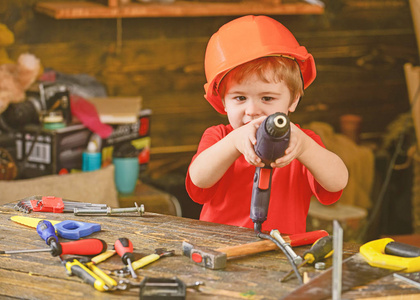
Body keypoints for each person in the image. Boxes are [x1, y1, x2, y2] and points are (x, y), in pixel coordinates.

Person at [185, 15, 348, 234]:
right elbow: (199, 179)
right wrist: (233, 143)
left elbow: (337, 182)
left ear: (293, 100)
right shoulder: (219, 137)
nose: (252, 110)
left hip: (281, 257)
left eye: (267, 98)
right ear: (223, 101)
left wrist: (307, 148)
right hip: (218, 254)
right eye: (240, 98)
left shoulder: (300, 142)